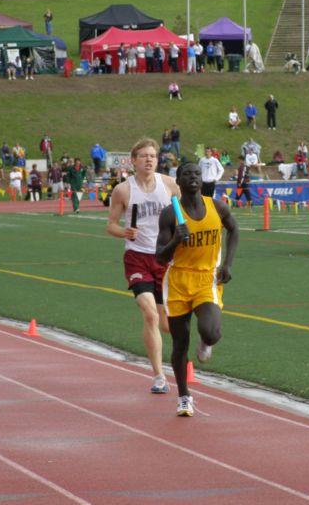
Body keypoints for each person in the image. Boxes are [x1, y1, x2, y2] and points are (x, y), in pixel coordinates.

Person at [155, 161, 239, 416]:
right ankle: (183, 396)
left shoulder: (217, 207)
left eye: (196, 174)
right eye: (187, 174)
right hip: (179, 281)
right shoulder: (171, 214)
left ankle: (206, 341)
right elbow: (159, 257)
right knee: (180, 342)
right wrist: (176, 240)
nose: (193, 177)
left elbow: (234, 229)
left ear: (201, 180)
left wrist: (227, 264)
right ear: (178, 182)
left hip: (207, 280)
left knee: (211, 332)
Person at [107, 138, 181, 395]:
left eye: (153, 156)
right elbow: (111, 225)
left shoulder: (170, 185)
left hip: (165, 258)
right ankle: (159, 375)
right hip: (137, 257)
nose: (149, 160)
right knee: (149, 313)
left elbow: (181, 216)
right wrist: (124, 232)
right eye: (144, 156)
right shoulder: (123, 190)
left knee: (167, 325)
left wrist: (180, 234)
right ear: (134, 161)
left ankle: (173, 359)